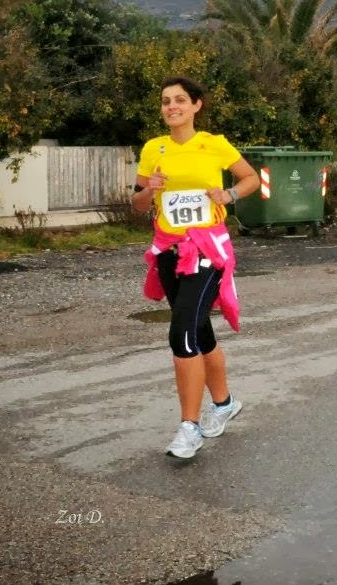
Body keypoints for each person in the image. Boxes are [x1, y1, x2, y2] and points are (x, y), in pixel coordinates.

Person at [132, 75, 259, 459]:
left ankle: (189, 428)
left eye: (180, 100)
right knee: (200, 330)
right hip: (168, 252)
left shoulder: (214, 145)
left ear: (196, 105)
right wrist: (149, 190)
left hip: (206, 250)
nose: (172, 106)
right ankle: (224, 404)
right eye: (166, 101)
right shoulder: (154, 148)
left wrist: (229, 193)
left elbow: (251, 178)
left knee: (181, 331)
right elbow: (137, 204)